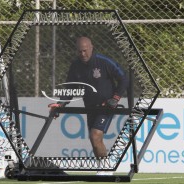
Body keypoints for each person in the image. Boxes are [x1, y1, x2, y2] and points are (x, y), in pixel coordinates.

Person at [48, 36, 129, 174]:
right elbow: (70, 88)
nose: (82, 54)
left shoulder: (104, 62)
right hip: (89, 107)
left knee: (95, 135)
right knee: (94, 140)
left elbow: (124, 78)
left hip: (106, 106)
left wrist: (115, 98)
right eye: (79, 51)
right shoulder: (75, 66)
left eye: (85, 50)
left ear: (91, 48)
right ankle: (104, 167)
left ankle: (106, 169)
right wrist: (60, 104)